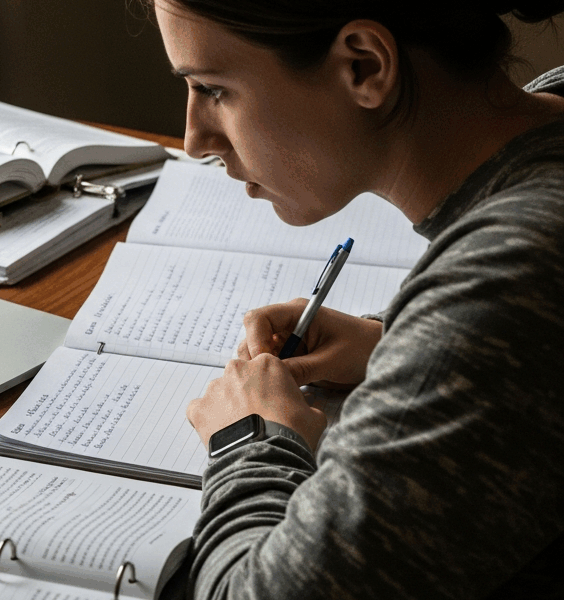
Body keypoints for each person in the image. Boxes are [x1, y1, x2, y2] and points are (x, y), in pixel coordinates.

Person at [145, 0, 564, 597]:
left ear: (364, 66)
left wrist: (249, 439)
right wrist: (401, 344)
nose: (194, 139)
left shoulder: (512, 275)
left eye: (213, 89)